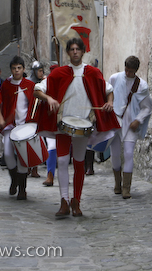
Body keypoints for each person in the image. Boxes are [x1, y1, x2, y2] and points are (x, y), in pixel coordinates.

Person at [34, 38, 120, 216]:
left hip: (83, 125)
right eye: (72, 49)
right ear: (68, 52)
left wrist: (110, 102)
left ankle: (76, 202)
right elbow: (37, 90)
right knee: (62, 161)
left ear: (82, 51)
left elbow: (109, 90)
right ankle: (64, 201)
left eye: (77, 49)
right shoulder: (59, 73)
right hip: (63, 124)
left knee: (79, 162)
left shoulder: (93, 72)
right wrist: (49, 98)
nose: (75, 52)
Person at [0, 56, 36, 200]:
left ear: (23, 69)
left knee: (23, 157)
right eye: (14, 68)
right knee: (7, 153)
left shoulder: (30, 85)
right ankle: (14, 179)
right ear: (11, 69)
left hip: (25, 126)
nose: (17, 70)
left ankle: (22, 189)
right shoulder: (6, 85)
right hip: (10, 125)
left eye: (19, 68)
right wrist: (0, 118)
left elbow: (34, 105)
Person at [108, 56, 152, 199]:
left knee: (128, 153)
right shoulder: (114, 78)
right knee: (115, 154)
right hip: (115, 122)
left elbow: (147, 107)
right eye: (126, 70)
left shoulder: (142, 85)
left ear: (136, 71)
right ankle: (117, 183)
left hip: (131, 123)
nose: (128, 73)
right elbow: (107, 95)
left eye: (131, 71)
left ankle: (126, 188)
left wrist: (138, 120)